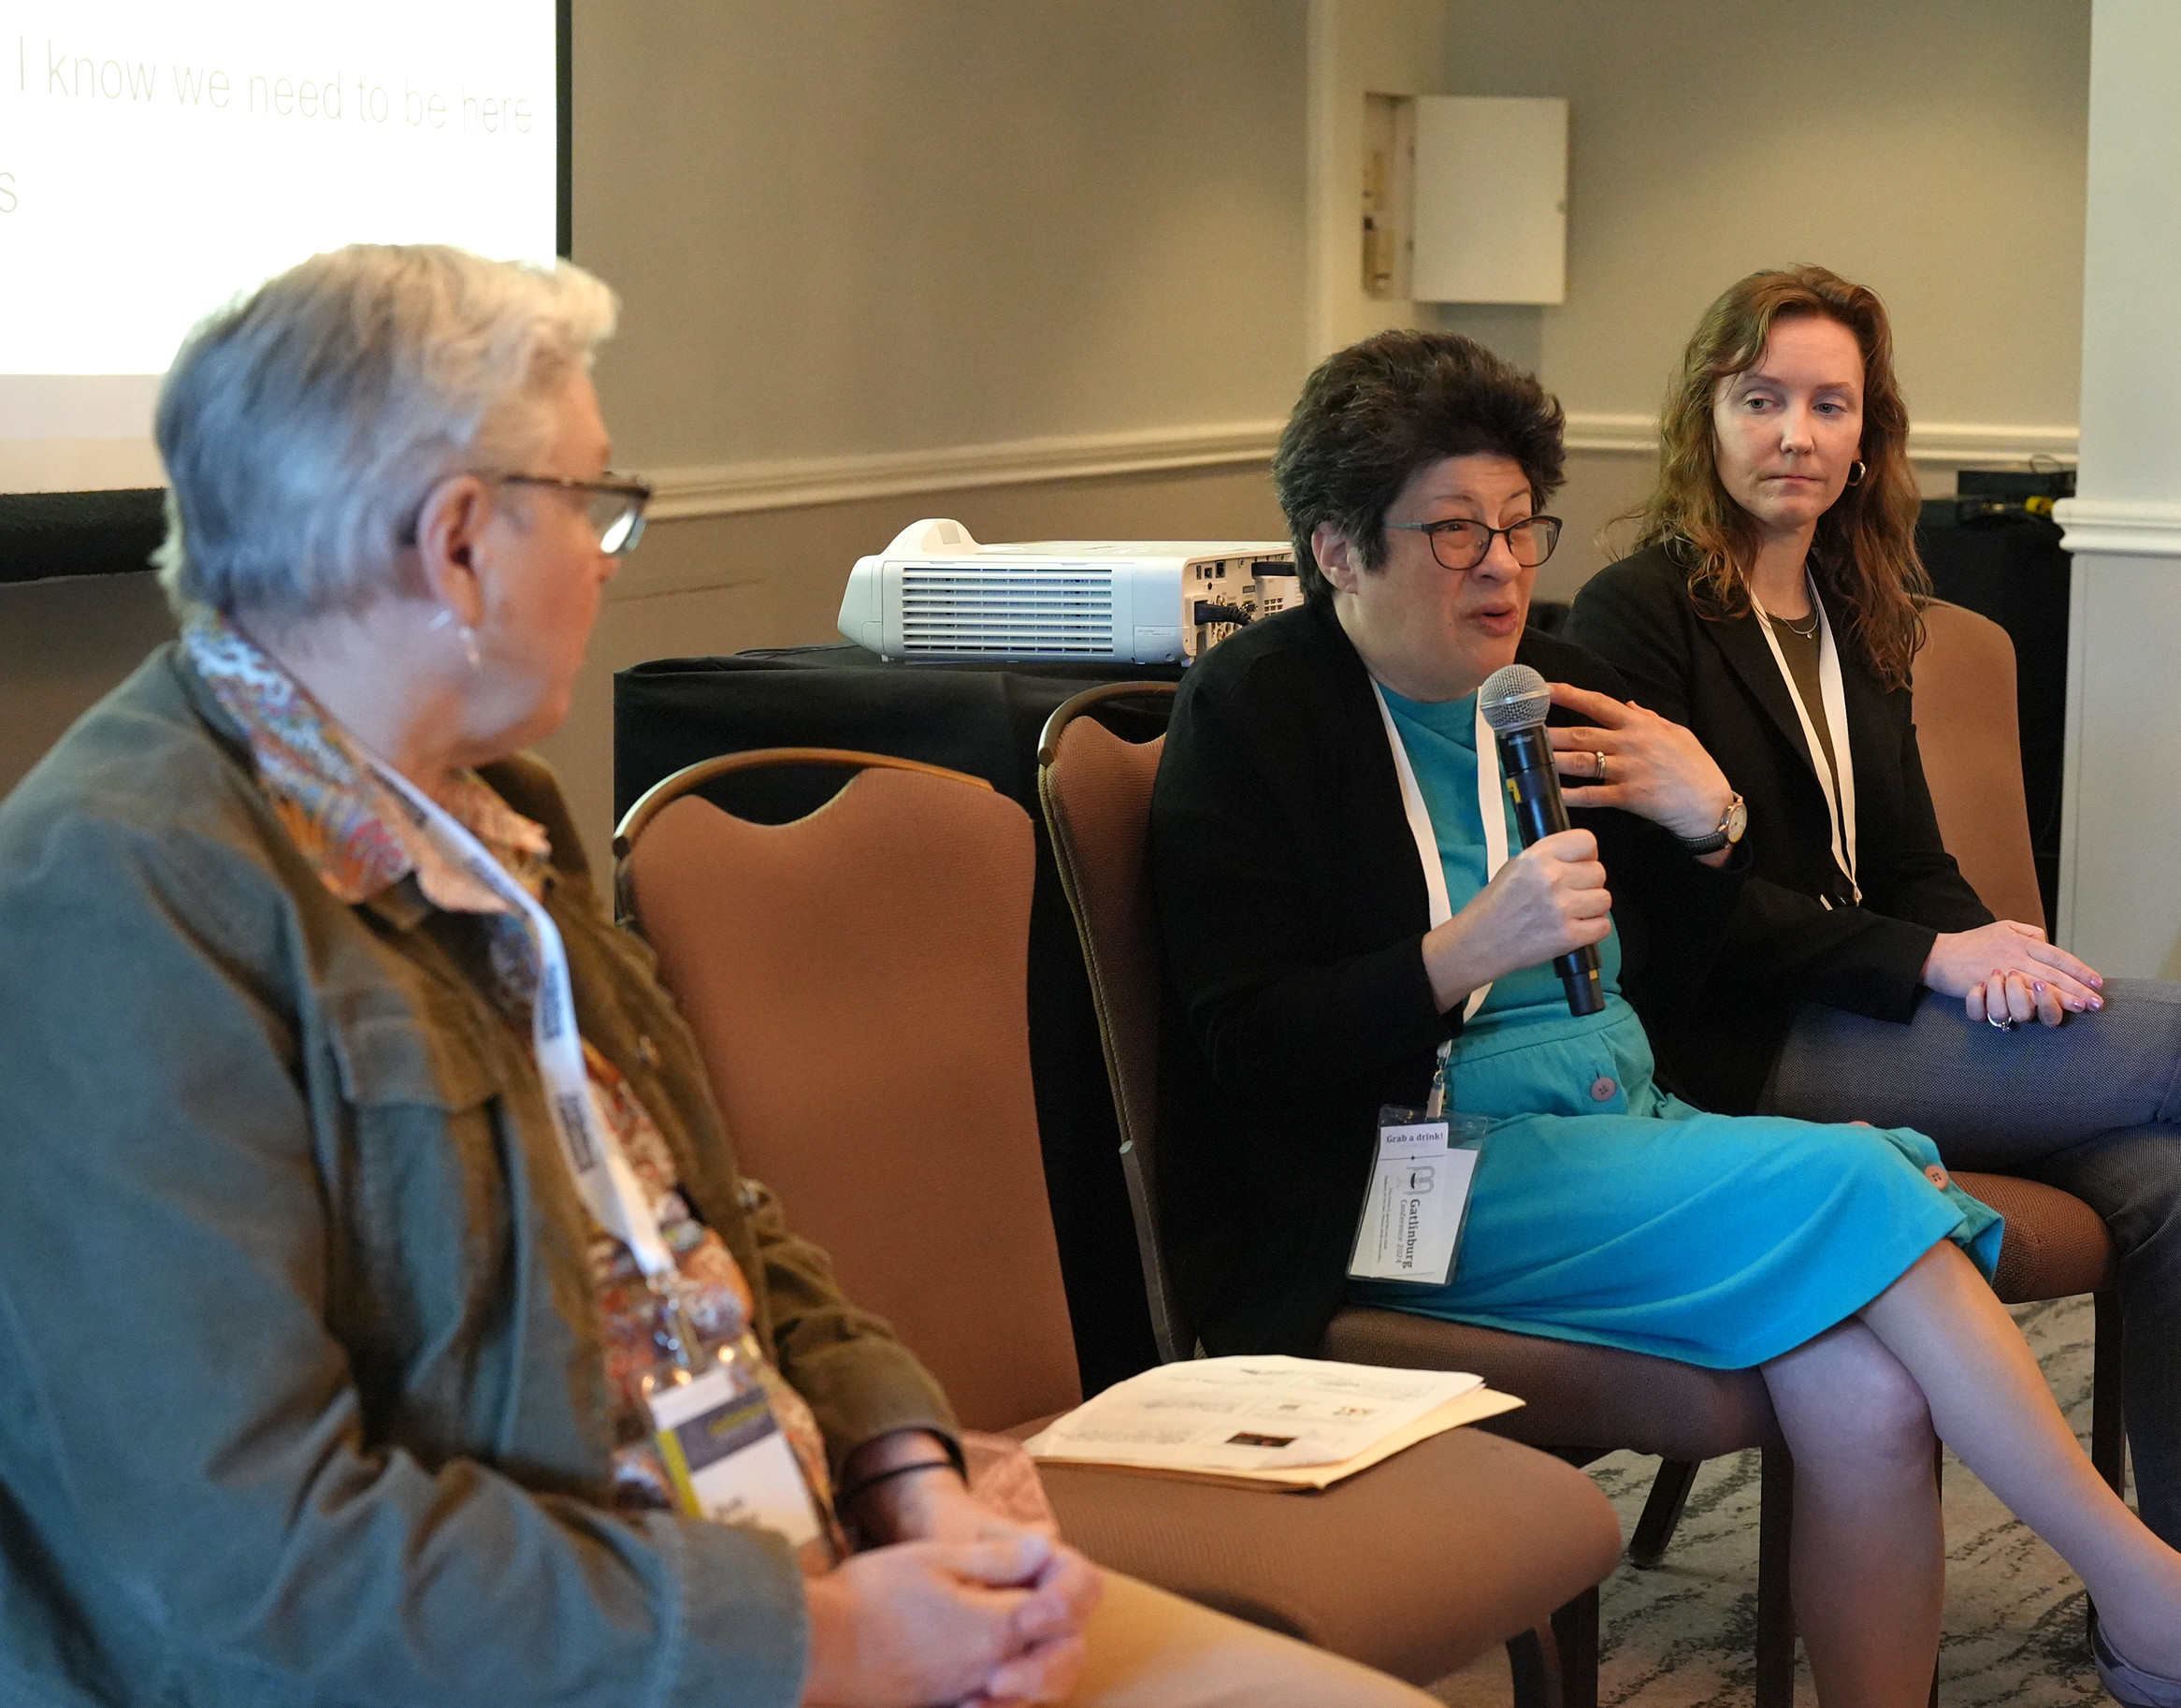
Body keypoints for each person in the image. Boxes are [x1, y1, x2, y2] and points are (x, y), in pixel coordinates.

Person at [0, 245, 1520, 1708]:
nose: (609, 560)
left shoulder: (491, 812)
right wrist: (816, 1639)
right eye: (592, 504)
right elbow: (245, 1565)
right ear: (456, 540)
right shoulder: (115, 904)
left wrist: (903, 1466)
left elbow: (711, 1224)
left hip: (774, 1561)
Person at [1150, 326, 2181, 1707]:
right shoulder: (1257, 708)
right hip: (1417, 1169)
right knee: (1857, 1169)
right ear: (1340, 549)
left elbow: (1678, 970)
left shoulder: (1550, 694)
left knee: (1866, 1395)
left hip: (1621, 1119)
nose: (1507, 567)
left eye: (1521, 526)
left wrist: (1709, 827)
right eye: (1458, 534)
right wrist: (1461, 951)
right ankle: (2137, 1579)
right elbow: (1243, 1045)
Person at [1565, 264, 2181, 1558]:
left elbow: (1908, 862)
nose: (1796, 433)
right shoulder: (1639, 615)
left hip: (1873, 1000)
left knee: (2165, 1177)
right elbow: (1685, 926)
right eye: (1762, 398)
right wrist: (1936, 957)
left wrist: (1991, 953)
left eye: (1829, 404)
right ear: (1706, 417)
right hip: (1739, 1039)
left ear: (1867, 434)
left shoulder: (1854, 606)